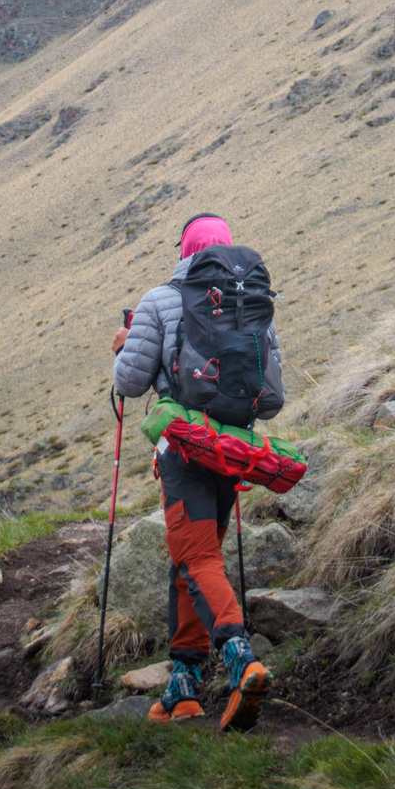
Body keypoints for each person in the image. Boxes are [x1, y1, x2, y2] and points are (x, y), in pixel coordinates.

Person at [110, 212, 284, 729]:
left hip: (184, 448)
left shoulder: (160, 300)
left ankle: (241, 661)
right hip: (231, 449)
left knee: (197, 557)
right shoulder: (253, 302)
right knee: (189, 559)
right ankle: (182, 686)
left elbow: (130, 383)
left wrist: (123, 348)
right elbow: (271, 393)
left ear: (184, 251)